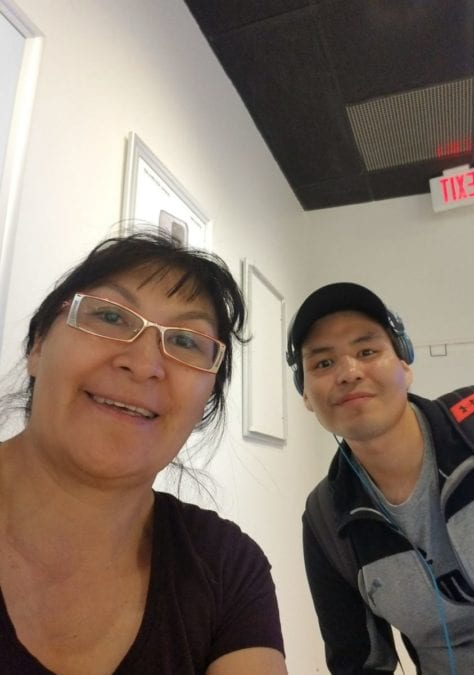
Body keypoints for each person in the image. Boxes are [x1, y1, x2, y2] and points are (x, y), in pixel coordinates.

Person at [0, 230, 288, 675]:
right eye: (111, 317)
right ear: (38, 346)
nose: (143, 364)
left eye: (186, 342)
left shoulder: (227, 568)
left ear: (205, 402)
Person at [286, 282, 474, 675]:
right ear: (305, 395)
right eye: (322, 363)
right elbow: (358, 664)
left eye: (367, 351)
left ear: (405, 364)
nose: (349, 373)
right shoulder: (326, 520)